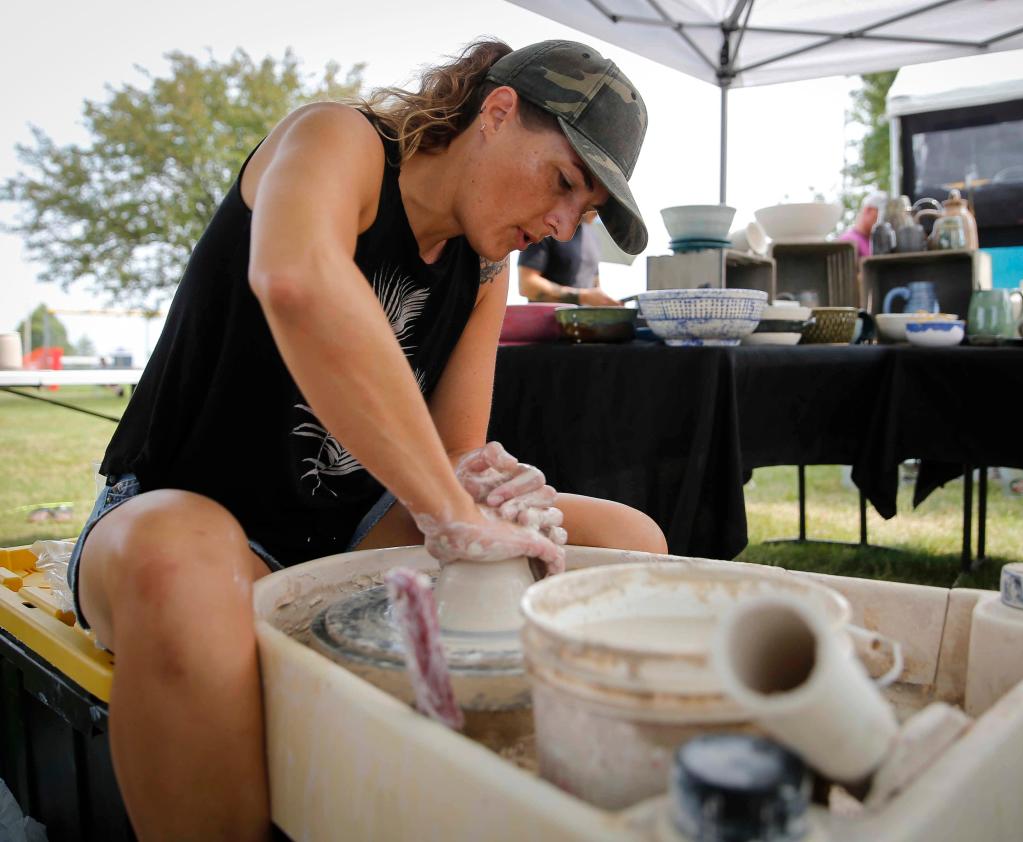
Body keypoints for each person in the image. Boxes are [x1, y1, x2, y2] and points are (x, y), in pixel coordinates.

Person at [66, 38, 665, 840]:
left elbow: (452, 456)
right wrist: (451, 502)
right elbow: (297, 277)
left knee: (629, 541)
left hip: (342, 531)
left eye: (583, 211)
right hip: (177, 507)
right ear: (495, 113)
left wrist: (489, 487)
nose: (561, 223)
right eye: (562, 182)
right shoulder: (336, 141)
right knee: (184, 562)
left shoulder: (484, 271)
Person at [517, 223, 620, 305]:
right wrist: (582, 297)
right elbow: (526, 285)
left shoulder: (594, 237)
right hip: (546, 326)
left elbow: (595, 285)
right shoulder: (547, 229)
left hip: (583, 326)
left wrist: (604, 302)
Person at [836, 191, 887, 258]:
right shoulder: (848, 241)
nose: (883, 220)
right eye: (880, 215)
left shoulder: (873, 241)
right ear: (868, 210)